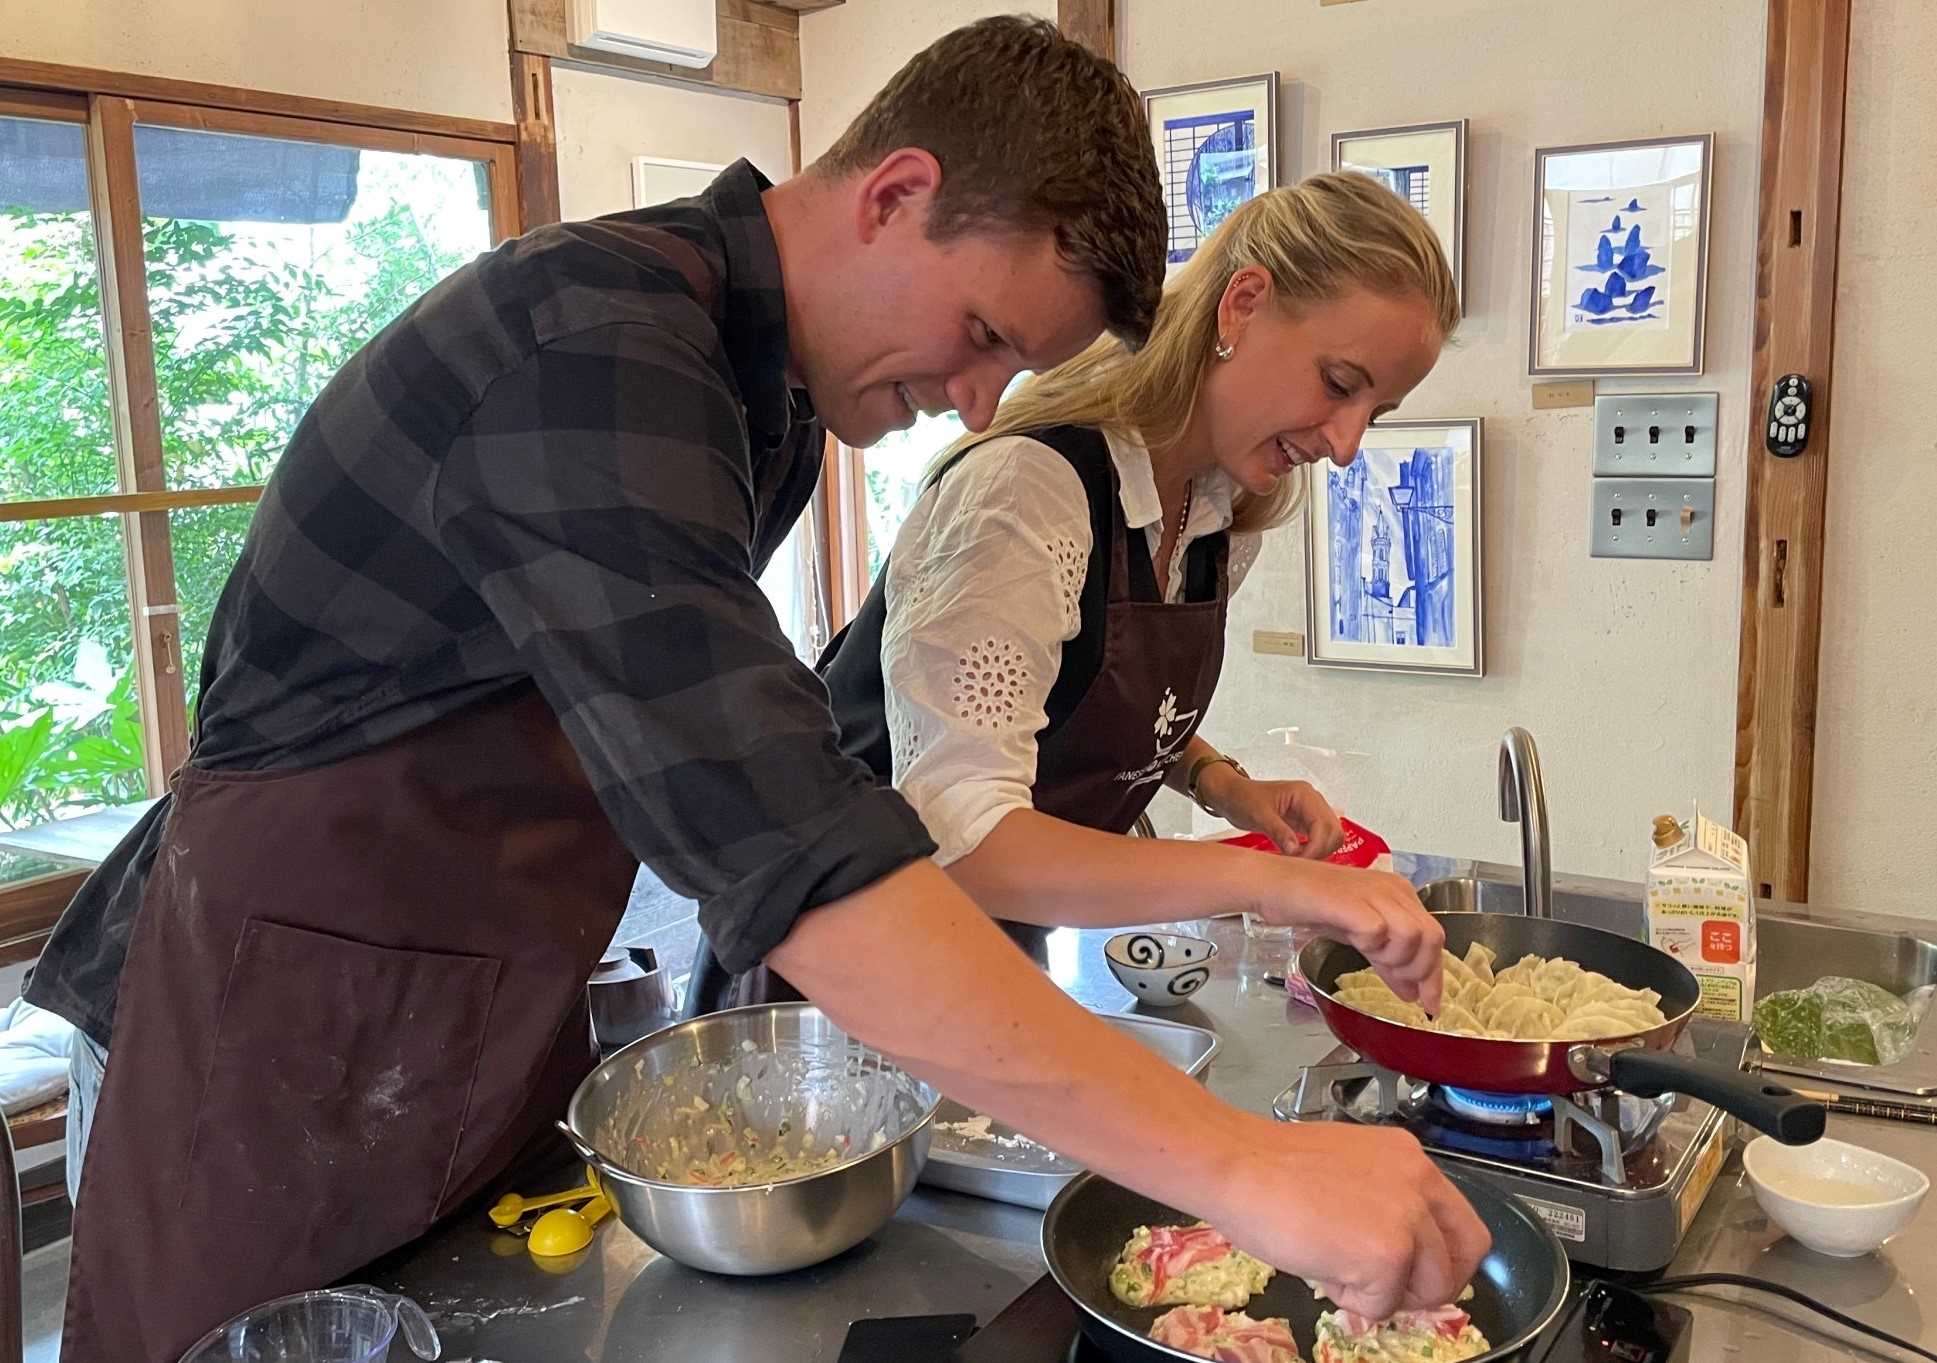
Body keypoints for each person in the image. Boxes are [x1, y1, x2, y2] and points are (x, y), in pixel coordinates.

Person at [29, 20, 1477, 1361]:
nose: (980, 404)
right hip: (265, 1022)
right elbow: (784, 842)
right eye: (981, 335)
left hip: (475, 1016)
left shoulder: (757, 402)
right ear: (894, 190)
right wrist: (1238, 1165)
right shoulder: (588, 351)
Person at [801, 172, 1458, 958]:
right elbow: (966, 838)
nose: (1346, 445)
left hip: (989, 958)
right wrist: (1270, 882)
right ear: (1241, 305)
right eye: (1338, 384)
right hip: (843, 969)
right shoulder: (1028, 490)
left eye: (1372, 414)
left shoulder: (1216, 511)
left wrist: (1221, 783)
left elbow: (1077, 696)